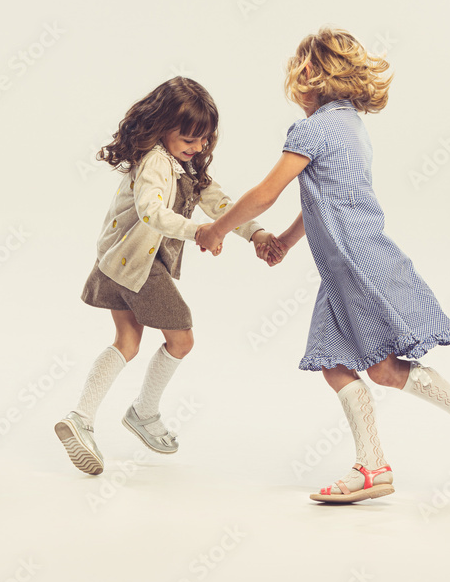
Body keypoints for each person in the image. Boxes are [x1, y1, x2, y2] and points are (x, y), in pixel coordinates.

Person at [197, 28, 450, 502]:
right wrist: (283, 241)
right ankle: (373, 466)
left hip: (357, 263)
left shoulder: (312, 128)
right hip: (343, 267)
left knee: (380, 367)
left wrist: (217, 230)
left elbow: (265, 193)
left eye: (296, 76)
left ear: (311, 75)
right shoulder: (350, 125)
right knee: (336, 362)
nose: (294, 88)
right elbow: (321, 199)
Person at [55, 77, 283, 475]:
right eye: (189, 139)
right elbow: (151, 211)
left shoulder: (185, 164)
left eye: (204, 140)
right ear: (162, 128)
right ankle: (143, 412)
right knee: (182, 338)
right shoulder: (157, 162)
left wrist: (256, 233)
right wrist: (200, 232)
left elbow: (220, 203)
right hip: (137, 268)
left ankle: (81, 418)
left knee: (127, 342)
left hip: (115, 262)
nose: (198, 148)